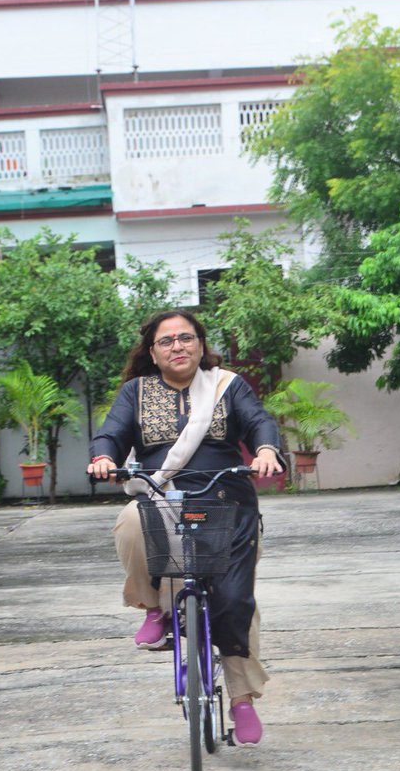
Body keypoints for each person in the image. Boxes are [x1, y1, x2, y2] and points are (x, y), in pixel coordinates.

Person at [87, 309, 283, 747]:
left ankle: (242, 700)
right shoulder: (134, 392)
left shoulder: (227, 384)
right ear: (152, 353)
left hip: (226, 501)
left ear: (200, 343)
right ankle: (154, 607)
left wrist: (267, 449)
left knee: (235, 601)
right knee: (131, 523)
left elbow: (259, 421)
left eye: (186, 338)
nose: (178, 346)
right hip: (162, 498)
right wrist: (103, 457)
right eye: (167, 341)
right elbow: (111, 434)